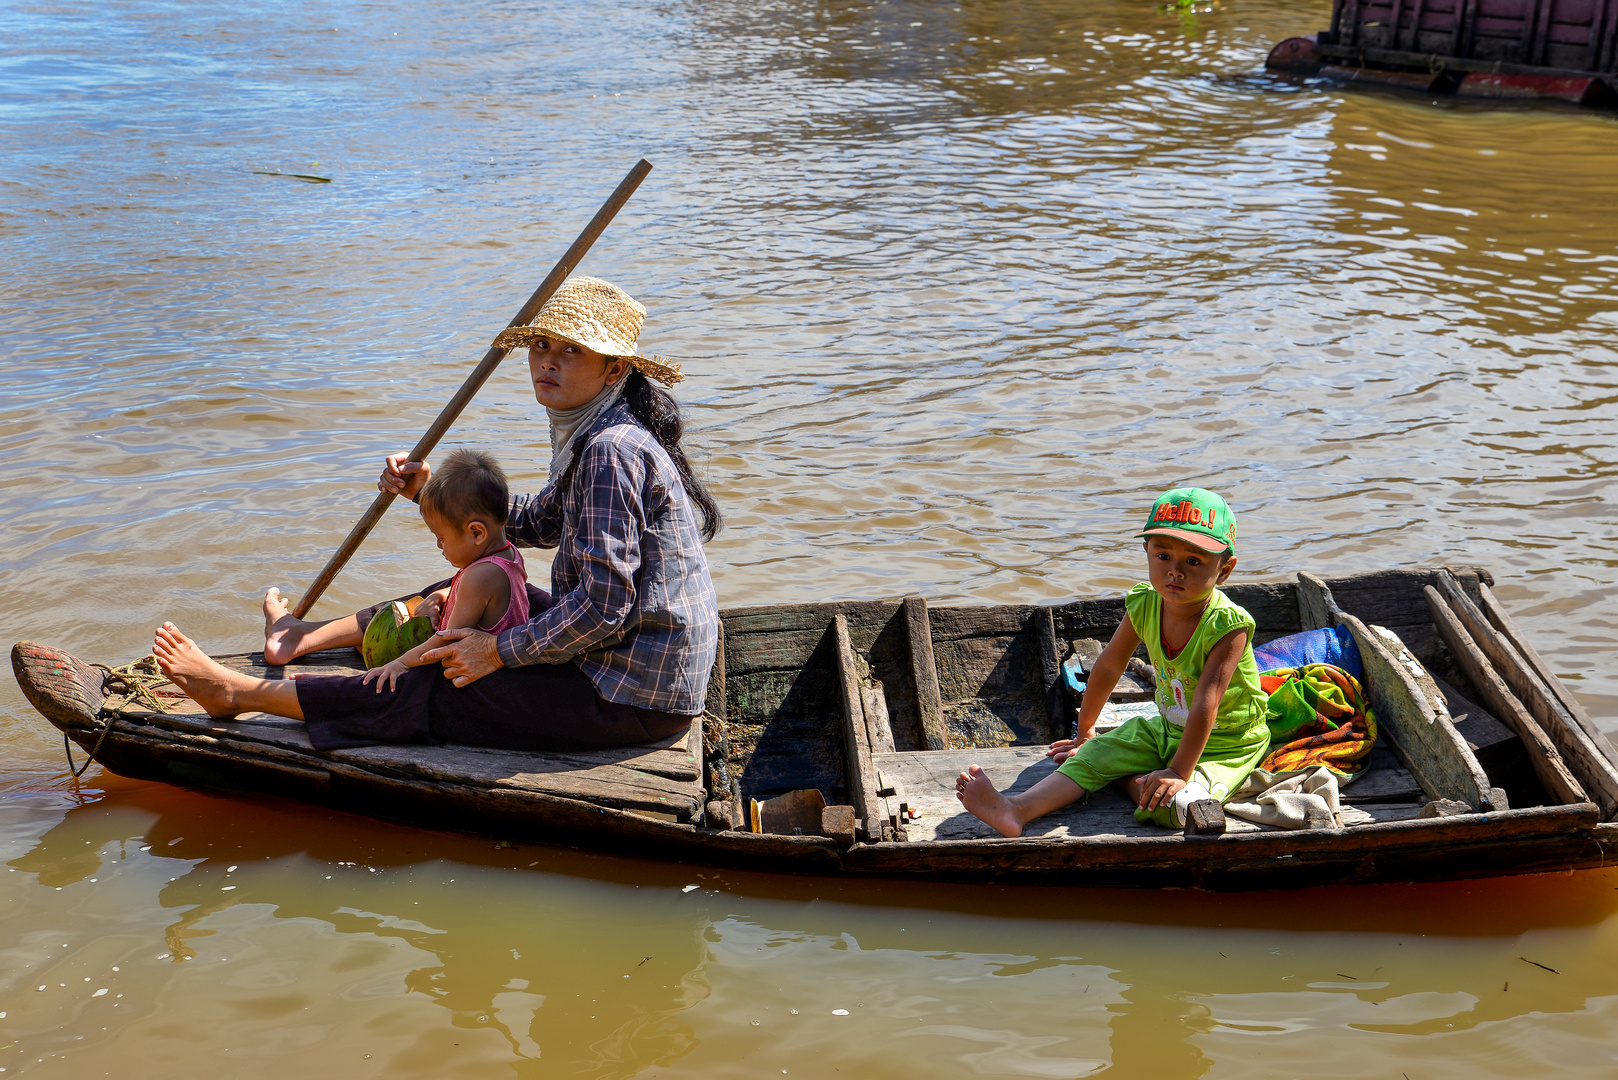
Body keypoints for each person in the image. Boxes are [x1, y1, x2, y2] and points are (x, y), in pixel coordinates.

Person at [153, 276, 722, 753]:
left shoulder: (609, 449)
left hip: (629, 693)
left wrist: (496, 651)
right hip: (627, 664)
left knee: (435, 681)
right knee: (473, 575)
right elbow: (536, 523)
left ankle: (238, 695)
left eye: (572, 350)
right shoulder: (596, 433)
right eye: (542, 345)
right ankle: (298, 639)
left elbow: (603, 608)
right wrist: (430, 493)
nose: (548, 362)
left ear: (614, 369)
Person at [955, 487, 1270, 837]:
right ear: (1147, 552)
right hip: (1165, 729)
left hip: (1228, 741)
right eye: (1163, 556)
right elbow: (1108, 666)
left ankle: (1127, 779)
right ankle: (1016, 808)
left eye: (1193, 562)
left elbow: (1205, 703)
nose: (1175, 571)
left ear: (1224, 570)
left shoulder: (1228, 626)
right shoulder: (1145, 604)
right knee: (1092, 755)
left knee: (1184, 808)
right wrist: (1085, 731)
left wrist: (1179, 772)